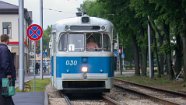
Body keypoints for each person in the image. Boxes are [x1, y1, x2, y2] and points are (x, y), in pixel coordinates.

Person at [0, 34, 16, 105]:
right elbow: (5, 62)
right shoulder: (4, 49)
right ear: (7, 40)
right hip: (5, 77)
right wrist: (8, 73)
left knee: (5, 96)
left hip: (2, 76)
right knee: (7, 95)